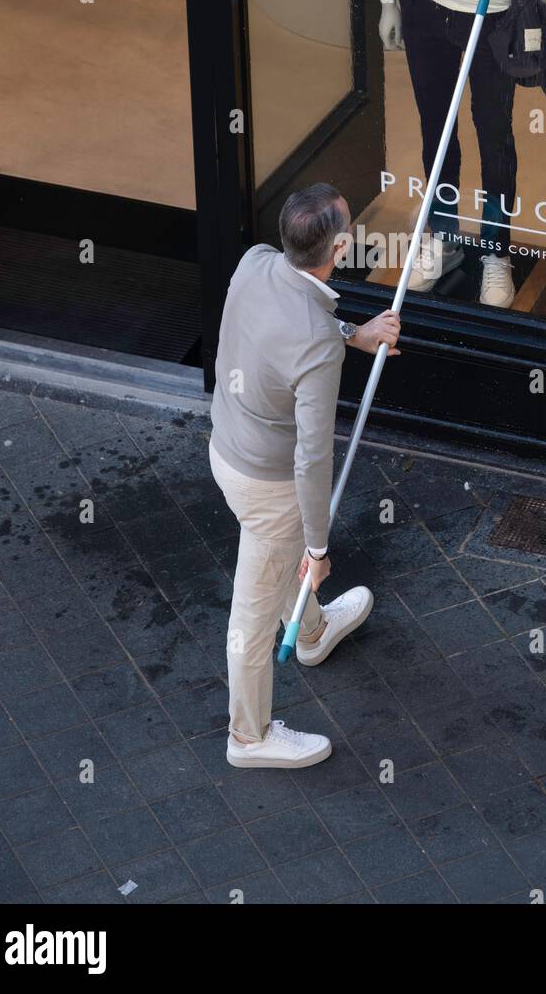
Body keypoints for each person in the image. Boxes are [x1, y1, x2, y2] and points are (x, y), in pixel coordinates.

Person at [209, 183, 401, 768]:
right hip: (268, 488)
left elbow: (278, 334)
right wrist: (318, 549)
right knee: (253, 610)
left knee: (277, 561)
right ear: (340, 247)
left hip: (225, 448)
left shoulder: (255, 263)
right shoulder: (318, 345)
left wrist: (355, 335)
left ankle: (312, 633)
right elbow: (312, 460)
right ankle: (249, 737)